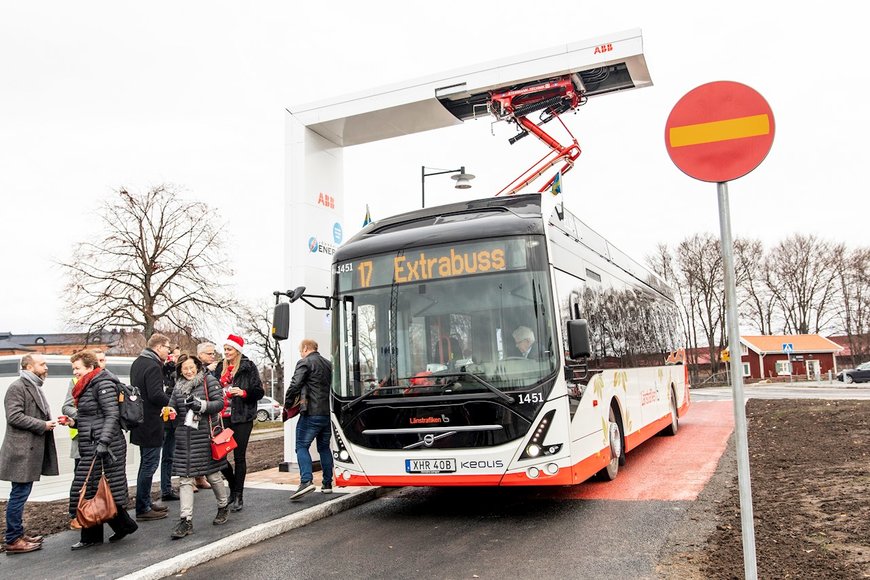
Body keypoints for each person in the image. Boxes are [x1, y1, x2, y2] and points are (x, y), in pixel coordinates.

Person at [67, 350, 138, 550]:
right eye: (73, 369)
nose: (75, 372)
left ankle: (92, 535)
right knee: (94, 488)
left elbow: (111, 415)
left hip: (106, 445)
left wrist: (104, 442)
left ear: (90, 367)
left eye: (77, 368)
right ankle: (120, 526)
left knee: (93, 488)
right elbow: (93, 417)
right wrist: (74, 421)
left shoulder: (102, 383)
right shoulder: (88, 384)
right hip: (94, 443)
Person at [167, 354, 230, 538]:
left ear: (197, 367)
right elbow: (173, 406)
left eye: (191, 368)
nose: (188, 372)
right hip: (184, 439)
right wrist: (170, 411)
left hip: (204, 437)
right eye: (184, 369)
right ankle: (186, 520)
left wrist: (200, 405)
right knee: (185, 479)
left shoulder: (208, 381)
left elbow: (220, 404)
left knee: (212, 475)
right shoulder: (177, 386)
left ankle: (223, 505)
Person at [0, 353, 58, 554]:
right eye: (42, 364)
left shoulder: (33, 386)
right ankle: (13, 539)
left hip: (27, 451)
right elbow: (14, 416)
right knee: (18, 495)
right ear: (29, 367)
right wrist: (43, 425)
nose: (46, 367)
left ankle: (18, 534)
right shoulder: (17, 387)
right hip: (20, 452)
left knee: (21, 494)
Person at [216, 334, 264, 512]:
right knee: (220, 456)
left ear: (237, 350)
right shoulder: (219, 368)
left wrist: (243, 393)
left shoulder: (248, 366)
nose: (226, 352)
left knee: (239, 457)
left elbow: (258, 391)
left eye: (229, 349)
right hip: (223, 417)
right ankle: (232, 483)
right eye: (225, 349)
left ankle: (238, 495)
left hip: (242, 417)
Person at [129, 333, 171, 521]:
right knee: (149, 465)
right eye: (167, 348)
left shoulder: (138, 362)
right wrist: (172, 402)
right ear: (159, 347)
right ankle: (143, 508)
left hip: (139, 421)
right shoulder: (153, 366)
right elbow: (155, 395)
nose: (168, 351)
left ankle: (144, 501)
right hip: (151, 422)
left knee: (144, 464)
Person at [286, 338, 333, 500]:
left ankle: (306, 481)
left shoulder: (305, 362)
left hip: (311, 412)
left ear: (306, 348)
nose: (300, 353)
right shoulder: (328, 364)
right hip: (327, 413)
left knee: (301, 446)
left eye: (300, 350)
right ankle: (327, 483)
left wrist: (288, 403)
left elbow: (295, 384)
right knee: (324, 448)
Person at [62, 350, 107, 472]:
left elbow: (111, 415)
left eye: (102, 360)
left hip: (100, 440)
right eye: (98, 360)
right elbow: (66, 407)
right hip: (82, 438)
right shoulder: (76, 382)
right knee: (82, 478)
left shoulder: (107, 383)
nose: (101, 364)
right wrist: (80, 418)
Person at [160, 346, 180, 501]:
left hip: (177, 419)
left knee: (172, 454)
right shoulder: (163, 372)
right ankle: (166, 488)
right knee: (167, 455)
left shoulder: (179, 374)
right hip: (167, 420)